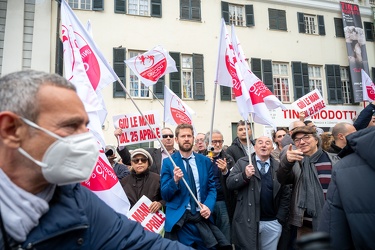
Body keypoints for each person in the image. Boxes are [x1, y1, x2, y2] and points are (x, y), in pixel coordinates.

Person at [0, 70, 191, 249]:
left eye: (85, 126)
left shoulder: (77, 200)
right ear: (11, 130)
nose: (86, 138)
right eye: (70, 125)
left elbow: (140, 243)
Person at [161, 123, 230, 249]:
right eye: (183, 136)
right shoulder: (168, 163)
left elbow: (212, 188)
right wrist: (174, 180)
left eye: (189, 136)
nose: (186, 139)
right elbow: (165, 194)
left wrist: (208, 207)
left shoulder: (204, 161)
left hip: (201, 218)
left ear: (193, 138)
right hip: (180, 221)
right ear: (177, 140)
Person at [226, 136, 290, 250]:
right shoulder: (243, 163)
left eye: (267, 143)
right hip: (248, 221)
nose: (263, 145)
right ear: (255, 147)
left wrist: (280, 218)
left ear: (272, 148)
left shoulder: (279, 166)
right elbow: (230, 183)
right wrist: (244, 176)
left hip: (272, 221)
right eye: (260, 143)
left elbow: (286, 192)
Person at [318, 126, 375, 249]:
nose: (358, 135)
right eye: (353, 133)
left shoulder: (343, 164)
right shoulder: (342, 165)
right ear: (341, 136)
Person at [277, 126, 339, 237]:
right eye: (297, 140)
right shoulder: (295, 162)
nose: (302, 142)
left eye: (306, 137)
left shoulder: (334, 160)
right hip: (305, 227)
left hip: (335, 222)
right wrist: (287, 162)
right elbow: (282, 179)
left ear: (316, 140)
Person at [204, 130, 235, 242]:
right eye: (214, 141)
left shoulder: (229, 159)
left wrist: (225, 171)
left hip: (223, 201)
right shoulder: (200, 157)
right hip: (205, 202)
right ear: (207, 143)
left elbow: (234, 181)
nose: (217, 145)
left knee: (225, 234)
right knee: (208, 236)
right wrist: (203, 164)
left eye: (220, 142)